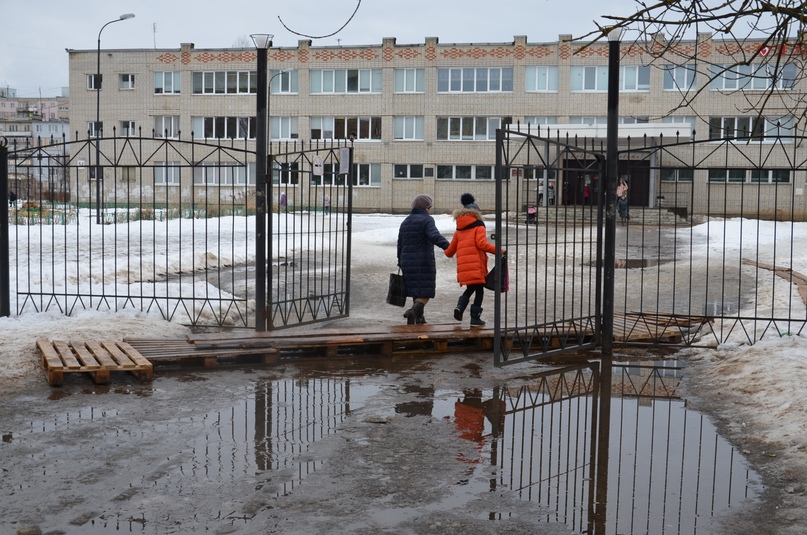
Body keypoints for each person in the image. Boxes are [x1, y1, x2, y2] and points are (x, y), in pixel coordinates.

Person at [444, 193, 504, 328]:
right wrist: (500, 250)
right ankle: (474, 318)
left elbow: (449, 252)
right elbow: (482, 244)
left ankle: (460, 307)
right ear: (477, 214)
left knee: (472, 288)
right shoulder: (479, 226)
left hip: (465, 267)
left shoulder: (459, 229)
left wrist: (446, 249)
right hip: (476, 265)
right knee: (479, 291)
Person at [397, 194, 449, 325]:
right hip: (423, 261)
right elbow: (434, 236)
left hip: (406, 260)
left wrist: (400, 260)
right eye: (429, 208)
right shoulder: (427, 220)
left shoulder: (406, 221)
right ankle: (413, 312)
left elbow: (400, 243)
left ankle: (418, 319)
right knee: (426, 290)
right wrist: (449, 247)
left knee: (416, 289)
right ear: (427, 207)